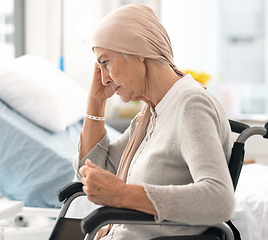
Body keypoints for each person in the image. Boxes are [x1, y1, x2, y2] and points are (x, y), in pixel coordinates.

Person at [74, 4, 234, 240]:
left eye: (105, 62)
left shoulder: (190, 106)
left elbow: (218, 199)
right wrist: (95, 103)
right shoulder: (151, 114)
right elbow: (92, 170)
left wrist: (121, 194)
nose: (103, 78)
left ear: (139, 51)